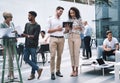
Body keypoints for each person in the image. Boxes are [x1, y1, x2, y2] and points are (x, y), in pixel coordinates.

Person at [22, 11, 43, 80]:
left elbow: (35, 36)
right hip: (27, 44)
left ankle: (32, 74)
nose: (28, 17)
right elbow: (24, 33)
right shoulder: (27, 24)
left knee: (34, 60)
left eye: (30, 16)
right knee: (25, 58)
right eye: (28, 16)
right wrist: (20, 33)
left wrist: (27, 35)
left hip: (33, 46)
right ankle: (38, 69)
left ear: (34, 16)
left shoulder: (37, 26)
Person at [47, 6, 65, 80]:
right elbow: (48, 31)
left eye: (62, 12)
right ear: (56, 10)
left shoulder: (62, 20)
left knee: (59, 56)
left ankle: (58, 71)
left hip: (61, 39)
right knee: (52, 56)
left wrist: (66, 29)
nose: (61, 13)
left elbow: (63, 31)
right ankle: (52, 72)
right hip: (53, 38)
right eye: (60, 11)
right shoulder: (50, 19)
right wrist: (57, 29)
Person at [65, 7, 84, 77]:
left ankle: (76, 70)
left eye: (73, 12)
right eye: (70, 13)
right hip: (70, 37)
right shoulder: (68, 20)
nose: (71, 14)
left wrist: (78, 27)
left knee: (76, 54)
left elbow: (83, 29)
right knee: (71, 54)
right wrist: (66, 29)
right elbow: (66, 31)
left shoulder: (79, 20)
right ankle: (72, 70)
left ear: (76, 12)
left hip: (77, 37)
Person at [0, 12, 17, 80]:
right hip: (6, 43)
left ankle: (9, 73)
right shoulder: (2, 24)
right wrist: (11, 33)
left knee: (12, 58)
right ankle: (12, 74)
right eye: (10, 17)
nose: (11, 18)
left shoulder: (12, 23)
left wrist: (15, 35)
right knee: (9, 58)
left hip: (12, 42)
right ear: (6, 18)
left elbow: (13, 31)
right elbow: (2, 34)